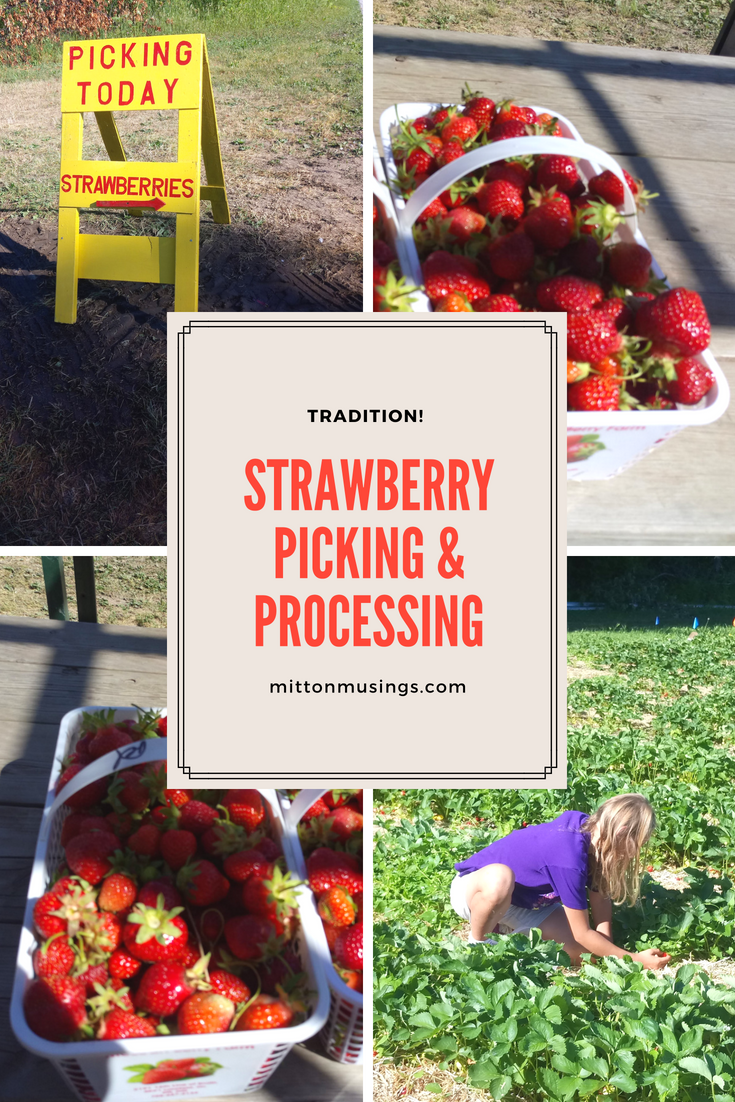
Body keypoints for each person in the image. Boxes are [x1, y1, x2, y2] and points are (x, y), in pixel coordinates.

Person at [450, 793, 669, 970]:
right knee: (500, 879)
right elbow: (582, 932)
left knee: (585, 957)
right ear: (621, 833)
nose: (634, 852)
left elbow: (600, 897)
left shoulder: (593, 834)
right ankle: (478, 942)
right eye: (637, 844)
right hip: (474, 892)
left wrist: (608, 950)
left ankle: (505, 930)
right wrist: (634, 959)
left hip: (526, 903)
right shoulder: (568, 857)